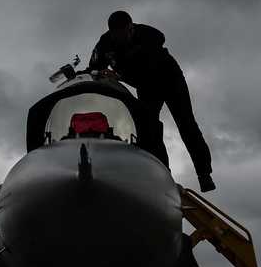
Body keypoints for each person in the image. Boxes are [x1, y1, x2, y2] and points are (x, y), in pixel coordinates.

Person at [87, 10, 215, 192]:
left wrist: (119, 75)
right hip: (146, 87)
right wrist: (94, 74)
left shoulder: (149, 35)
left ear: (131, 28)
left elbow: (148, 68)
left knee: (186, 122)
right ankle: (163, 175)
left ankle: (204, 173)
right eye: (117, 35)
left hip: (170, 79)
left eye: (125, 32)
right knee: (149, 128)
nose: (122, 38)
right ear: (112, 33)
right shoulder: (105, 44)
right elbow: (93, 67)